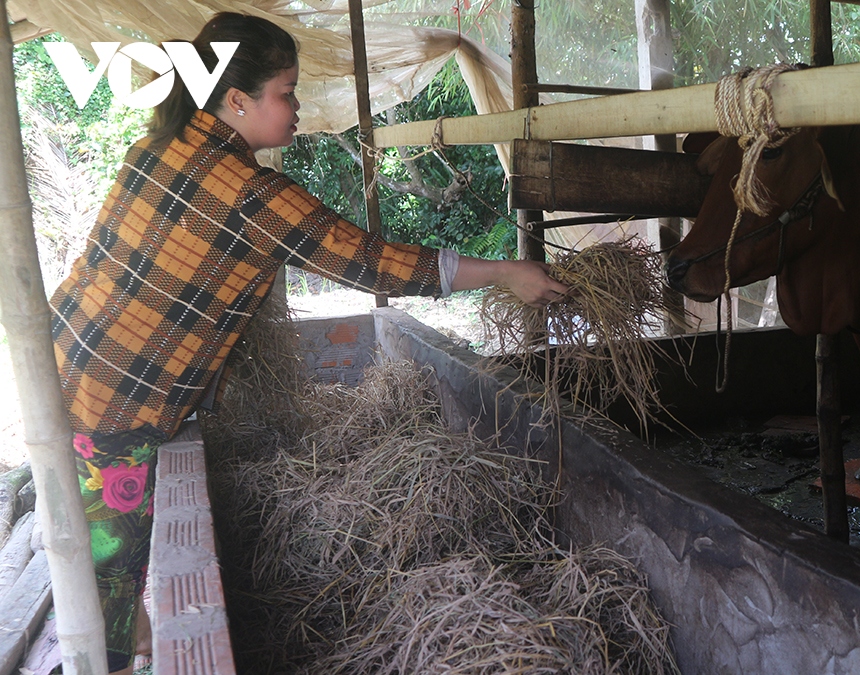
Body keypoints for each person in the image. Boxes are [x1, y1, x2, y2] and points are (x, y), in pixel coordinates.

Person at [48, 12, 567, 674]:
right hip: (119, 411)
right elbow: (376, 263)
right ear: (237, 99)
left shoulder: (155, 149)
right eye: (286, 93)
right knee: (108, 598)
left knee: (109, 574)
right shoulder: (252, 194)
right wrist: (504, 271)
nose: (295, 110)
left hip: (64, 371)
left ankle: (135, 638)